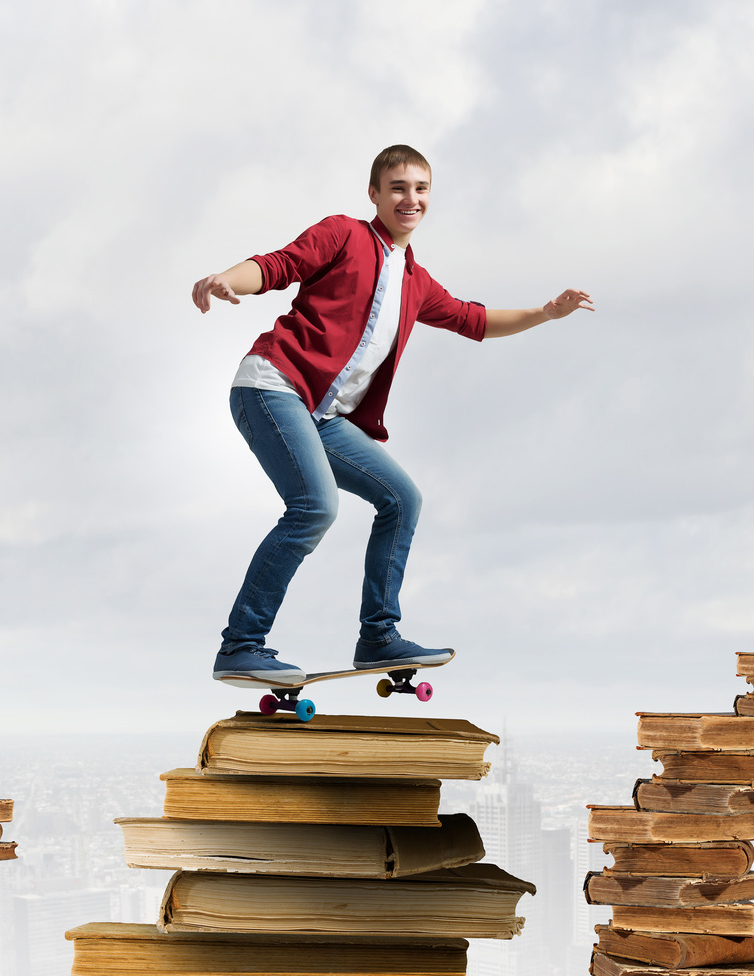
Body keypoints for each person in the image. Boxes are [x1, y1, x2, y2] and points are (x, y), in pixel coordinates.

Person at [191, 145, 593, 685]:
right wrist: (226, 279)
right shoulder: (344, 234)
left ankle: (378, 637)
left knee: (401, 498)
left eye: (421, 189)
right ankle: (242, 643)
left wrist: (545, 313)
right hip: (273, 385)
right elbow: (278, 266)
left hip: (323, 414)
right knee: (313, 507)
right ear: (375, 194)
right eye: (399, 187)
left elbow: (473, 320)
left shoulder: (416, 281)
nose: (411, 199)